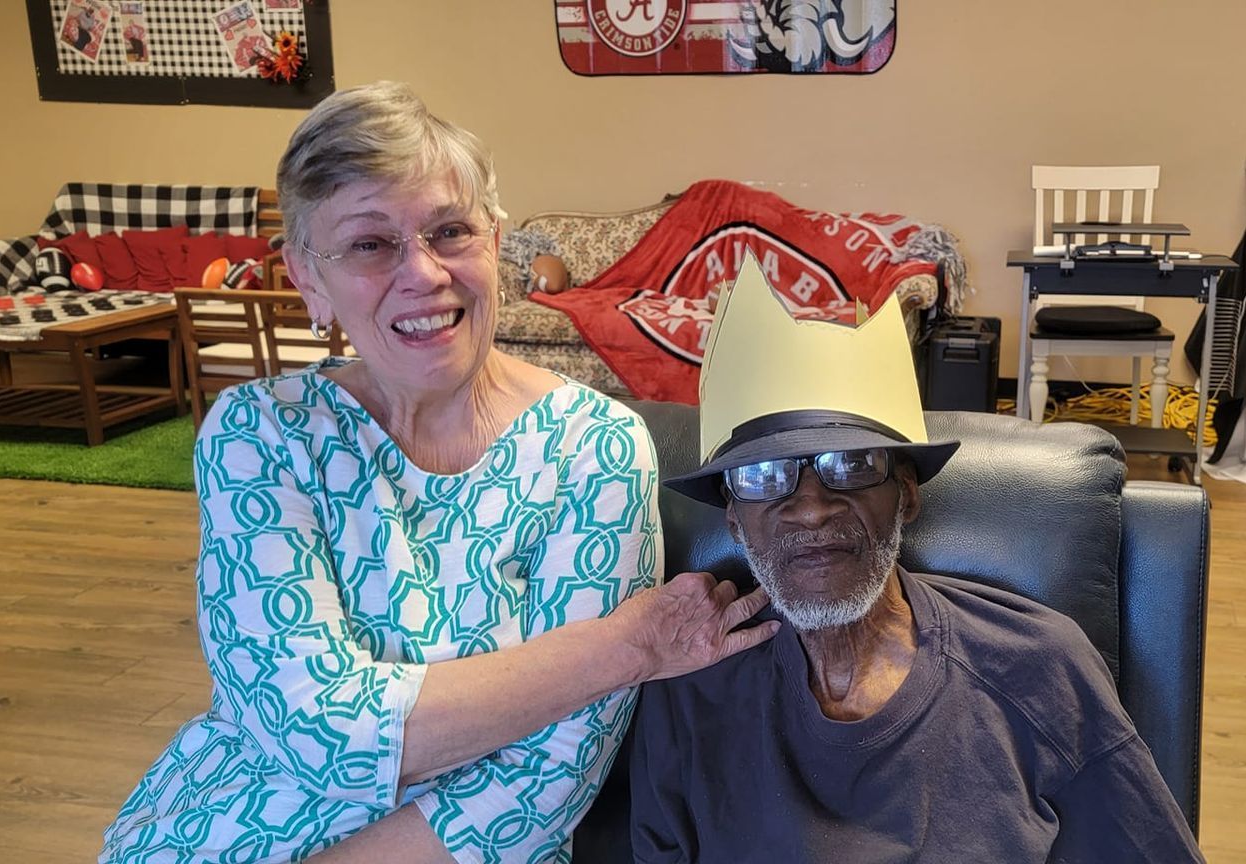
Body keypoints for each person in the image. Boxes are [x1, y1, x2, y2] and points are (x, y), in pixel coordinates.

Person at [99, 82, 776, 864]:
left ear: (494, 243)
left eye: (450, 230)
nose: (422, 273)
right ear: (308, 278)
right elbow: (315, 732)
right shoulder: (261, 433)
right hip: (224, 828)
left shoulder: (592, 447)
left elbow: (549, 776)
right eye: (369, 243)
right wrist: (624, 648)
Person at [629, 257, 1204, 862]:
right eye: (765, 476)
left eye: (851, 464)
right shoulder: (691, 680)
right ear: (733, 521)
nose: (811, 508)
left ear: (905, 495)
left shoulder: (1038, 666)